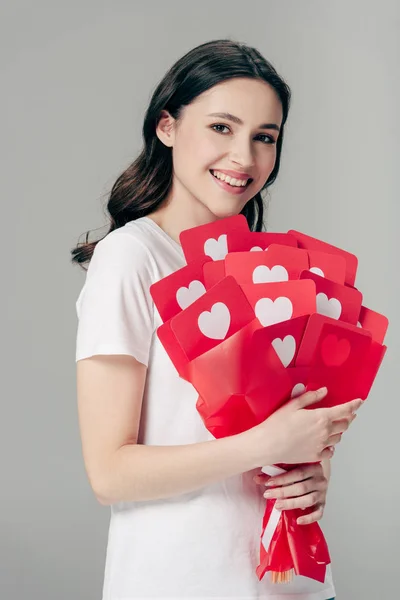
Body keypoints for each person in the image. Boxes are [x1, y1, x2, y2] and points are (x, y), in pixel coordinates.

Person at [71, 38, 360, 600]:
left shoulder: (265, 267)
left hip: (292, 581)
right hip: (184, 580)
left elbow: (278, 434)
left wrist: (308, 474)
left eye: (264, 138)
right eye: (222, 128)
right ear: (167, 127)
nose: (245, 159)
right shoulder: (132, 258)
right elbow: (109, 474)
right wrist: (264, 442)